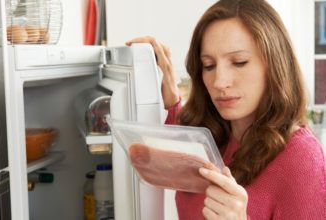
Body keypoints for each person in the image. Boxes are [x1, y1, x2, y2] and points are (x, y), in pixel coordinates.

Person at [126, 0, 326, 219]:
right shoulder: (210, 136)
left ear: (275, 65)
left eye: (239, 62)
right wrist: (170, 96)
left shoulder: (301, 159)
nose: (219, 82)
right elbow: (168, 161)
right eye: (209, 66)